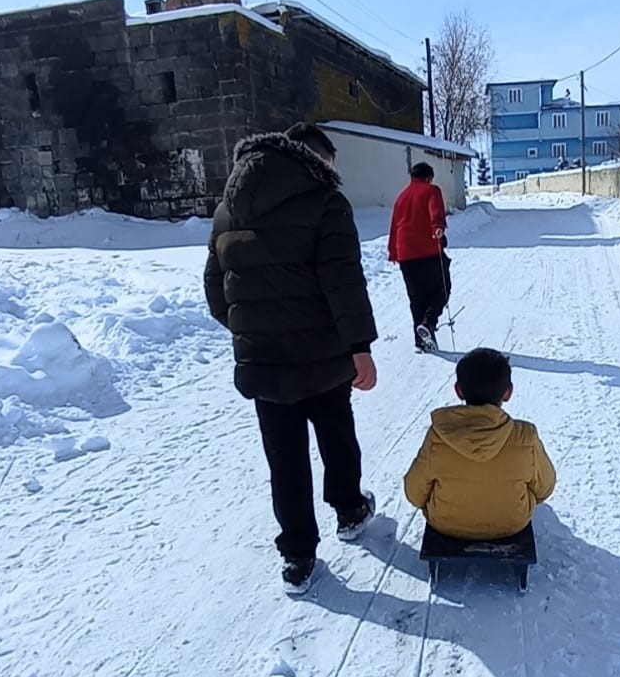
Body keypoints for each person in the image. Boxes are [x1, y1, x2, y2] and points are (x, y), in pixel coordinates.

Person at [204, 122, 379, 593]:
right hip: (323, 356)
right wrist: (359, 347)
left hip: (264, 360)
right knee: (336, 436)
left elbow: (216, 292)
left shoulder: (229, 208)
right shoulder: (325, 201)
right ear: (316, 159)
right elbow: (343, 282)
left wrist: (257, 330)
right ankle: (349, 510)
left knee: (284, 458)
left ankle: (298, 557)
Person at [403, 348, 556, 541]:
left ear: (458, 390)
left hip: (446, 524)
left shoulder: (439, 435)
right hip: (511, 524)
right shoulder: (525, 436)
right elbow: (545, 488)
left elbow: (414, 493)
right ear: (508, 393)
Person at [389, 162, 452, 352]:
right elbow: (435, 211)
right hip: (428, 250)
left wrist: (393, 250)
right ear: (429, 177)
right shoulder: (432, 190)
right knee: (442, 289)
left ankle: (421, 340)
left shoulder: (401, 197)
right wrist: (437, 227)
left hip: (405, 254)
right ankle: (429, 322)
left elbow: (394, 225)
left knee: (417, 297)